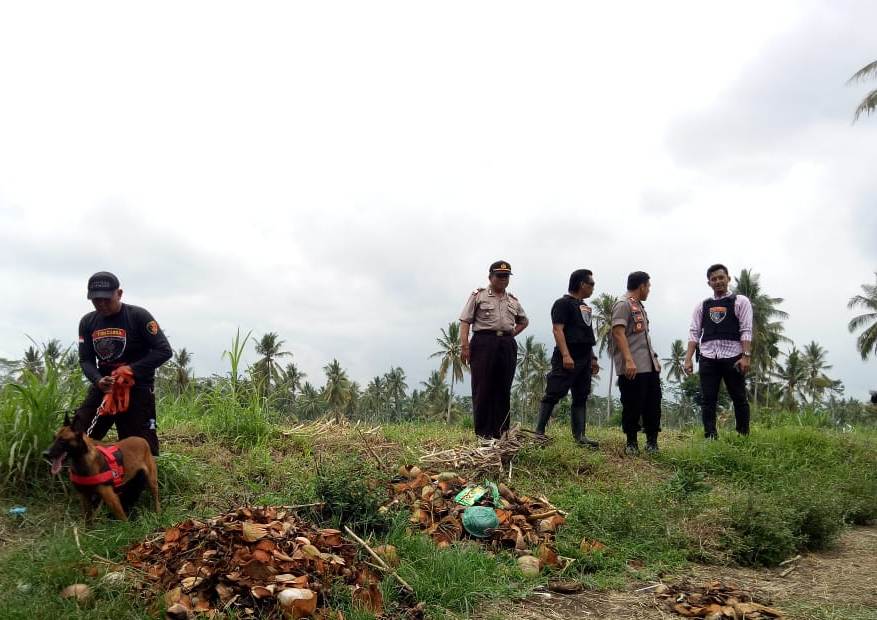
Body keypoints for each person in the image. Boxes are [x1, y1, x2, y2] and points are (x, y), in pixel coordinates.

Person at [72, 271, 172, 456]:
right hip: (104, 388)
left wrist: (131, 370)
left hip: (137, 389)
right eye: (95, 300)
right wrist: (98, 380)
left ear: (119, 294)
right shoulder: (87, 322)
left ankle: (141, 482)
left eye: (106, 299)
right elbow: (86, 360)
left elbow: (164, 351)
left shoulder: (139, 316)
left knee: (140, 448)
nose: (101, 304)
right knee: (76, 435)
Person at [459, 261, 529, 439]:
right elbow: (465, 320)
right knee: (483, 388)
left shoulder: (512, 300)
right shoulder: (479, 296)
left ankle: (501, 433)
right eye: (499, 275)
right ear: (490, 277)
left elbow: (524, 321)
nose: (503, 279)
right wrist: (465, 346)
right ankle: (483, 434)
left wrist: (512, 333)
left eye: (506, 276)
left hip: (506, 344)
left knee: (503, 388)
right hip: (483, 342)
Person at [683, 263, 753, 439]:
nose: (718, 281)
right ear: (709, 283)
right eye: (714, 279)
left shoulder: (740, 301)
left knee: (739, 398)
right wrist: (688, 358)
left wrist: (746, 356)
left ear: (728, 279)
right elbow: (694, 332)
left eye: (721, 277)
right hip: (708, 357)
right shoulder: (702, 306)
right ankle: (710, 436)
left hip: (733, 357)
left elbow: (746, 330)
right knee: (708, 400)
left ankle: (743, 435)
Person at [535, 269, 600, 447]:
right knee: (553, 393)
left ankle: (580, 436)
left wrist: (592, 359)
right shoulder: (562, 304)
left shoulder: (585, 307)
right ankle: (539, 432)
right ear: (582, 284)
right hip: (568, 355)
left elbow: (587, 335)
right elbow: (558, 329)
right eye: (591, 284)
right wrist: (565, 355)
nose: (593, 287)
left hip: (584, 357)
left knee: (581, 396)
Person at [611, 271, 662, 454]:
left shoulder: (639, 306)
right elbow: (618, 332)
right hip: (633, 367)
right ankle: (631, 442)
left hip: (649, 365)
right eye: (648, 287)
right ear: (642, 286)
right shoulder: (623, 304)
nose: (649, 290)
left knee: (653, 404)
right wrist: (629, 360)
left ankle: (652, 442)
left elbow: (642, 338)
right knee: (632, 405)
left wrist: (654, 358)